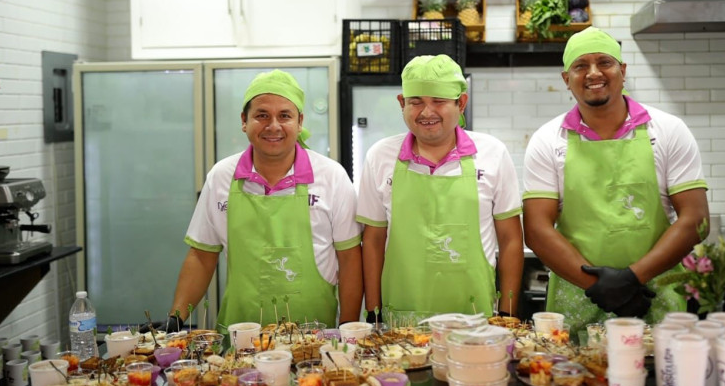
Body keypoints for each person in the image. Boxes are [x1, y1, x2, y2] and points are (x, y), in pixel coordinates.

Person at [522, 27, 710, 333]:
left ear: (622, 70)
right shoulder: (547, 140)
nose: (593, 72)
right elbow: (537, 230)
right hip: (579, 297)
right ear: (566, 79)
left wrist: (632, 279)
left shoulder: (668, 130)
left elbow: (696, 219)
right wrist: (600, 287)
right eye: (581, 65)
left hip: (653, 296)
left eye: (604, 62)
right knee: (574, 380)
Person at [164, 69, 362, 331]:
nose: (273, 126)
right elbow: (202, 255)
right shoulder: (222, 177)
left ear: (300, 122)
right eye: (261, 115)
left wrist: (347, 329)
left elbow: (349, 259)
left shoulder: (331, 177)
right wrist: (175, 319)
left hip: (313, 337)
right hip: (240, 339)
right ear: (244, 121)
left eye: (285, 116)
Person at [358, 54, 524, 322]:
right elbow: (374, 241)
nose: (427, 112)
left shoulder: (493, 153)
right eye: (416, 102)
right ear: (402, 103)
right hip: (401, 317)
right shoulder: (380, 157)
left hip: (474, 316)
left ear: (461, 103)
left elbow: (511, 239)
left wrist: (507, 312)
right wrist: (373, 312)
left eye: (438, 101)